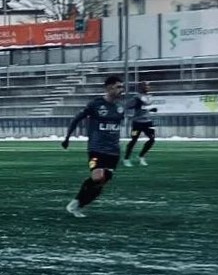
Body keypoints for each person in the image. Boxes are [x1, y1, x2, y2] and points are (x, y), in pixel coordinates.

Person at [62, 74, 126, 218]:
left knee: (101, 182)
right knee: (98, 177)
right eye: (118, 87)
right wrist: (67, 137)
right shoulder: (95, 104)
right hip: (96, 149)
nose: (121, 90)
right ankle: (76, 203)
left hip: (114, 151)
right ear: (109, 88)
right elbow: (77, 119)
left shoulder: (120, 107)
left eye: (122, 87)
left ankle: (78, 205)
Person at [123, 82, 158, 167]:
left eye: (148, 85)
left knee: (152, 139)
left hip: (148, 122)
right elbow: (127, 105)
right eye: (145, 85)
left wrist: (152, 110)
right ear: (140, 87)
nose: (147, 87)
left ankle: (141, 156)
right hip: (137, 122)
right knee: (134, 140)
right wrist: (136, 104)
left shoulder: (150, 97)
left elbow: (148, 108)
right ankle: (126, 159)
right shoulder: (137, 97)